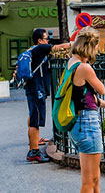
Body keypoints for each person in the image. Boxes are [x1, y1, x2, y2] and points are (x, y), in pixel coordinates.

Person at [64, 27, 105, 192]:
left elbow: (87, 97)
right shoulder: (84, 68)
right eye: (96, 47)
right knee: (89, 181)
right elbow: (101, 89)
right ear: (90, 47)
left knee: (95, 177)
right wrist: (88, 66)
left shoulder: (71, 64)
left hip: (80, 123)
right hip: (86, 123)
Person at [23, 28, 70, 163]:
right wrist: (77, 41)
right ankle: (34, 152)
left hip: (33, 88)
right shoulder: (39, 49)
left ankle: (35, 141)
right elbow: (61, 47)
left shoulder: (35, 51)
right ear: (40, 40)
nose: (47, 41)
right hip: (36, 89)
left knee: (33, 116)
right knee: (35, 121)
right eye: (45, 39)